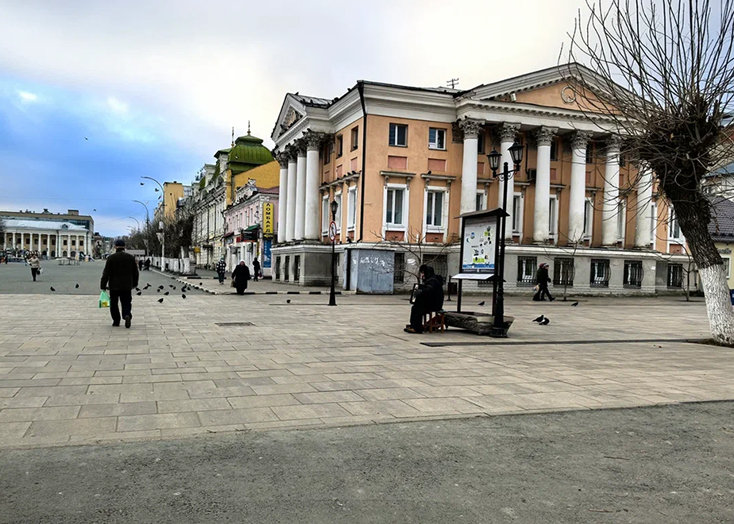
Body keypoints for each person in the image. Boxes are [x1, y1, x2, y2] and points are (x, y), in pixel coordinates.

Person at [100, 239, 139, 328]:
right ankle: (126, 315)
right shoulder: (130, 258)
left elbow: (106, 273)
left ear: (115, 247)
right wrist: (135, 284)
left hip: (114, 285)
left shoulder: (111, 258)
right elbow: (135, 272)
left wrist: (103, 285)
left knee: (114, 303)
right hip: (127, 285)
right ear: (124, 247)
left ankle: (116, 321)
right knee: (126, 302)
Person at [405, 265, 444, 334]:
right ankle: (414, 325)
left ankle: (417, 328)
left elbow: (429, 290)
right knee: (415, 307)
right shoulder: (431, 280)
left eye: (423, 273)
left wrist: (421, 292)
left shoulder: (433, 281)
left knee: (418, 308)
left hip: (435, 305)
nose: (422, 275)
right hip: (433, 303)